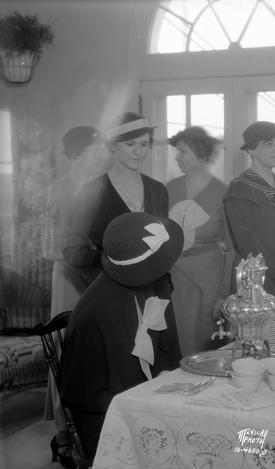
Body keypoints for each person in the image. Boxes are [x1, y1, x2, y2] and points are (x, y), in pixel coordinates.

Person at [59, 212, 183, 459]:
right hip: (108, 419)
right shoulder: (93, 314)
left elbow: (167, 351)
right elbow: (82, 395)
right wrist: (142, 405)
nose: (167, 266)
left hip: (145, 398)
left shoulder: (153, 286)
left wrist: (165, 382)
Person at [41, 126, 111, 467]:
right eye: (92, 150)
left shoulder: (100, 187)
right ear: (73, 154)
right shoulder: (58, 191)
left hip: (98, 279)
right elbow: (48, 246)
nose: (99, 154)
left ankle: (94, 431)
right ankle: (65, 435)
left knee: (95, 353)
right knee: (68, 353)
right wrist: (81, 252)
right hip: (70, 278)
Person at [63, 112, 168, 288]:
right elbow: (72, 250)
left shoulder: (158, 191)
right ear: (112, 146)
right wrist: (111, 263)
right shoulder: (90, 193)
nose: (139, 151)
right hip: (109, 290)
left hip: (152, 289)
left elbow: (165, 242)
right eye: (130, 144)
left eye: (144, 144)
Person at [224, 121, 275, 340]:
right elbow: (247, 243)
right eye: (268, 144)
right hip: (257, 279)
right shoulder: (239, 188)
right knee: (258, 346)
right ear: (251, 150)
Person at [166, 126, 233, 355]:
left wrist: (224, 293)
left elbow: (232, 249)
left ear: (200, 152)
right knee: (175, 340)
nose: (177, 157)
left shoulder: (223, 192)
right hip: (173, 277)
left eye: (182, 151)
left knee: (205, 344)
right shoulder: (170, 189)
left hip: (208, 277)